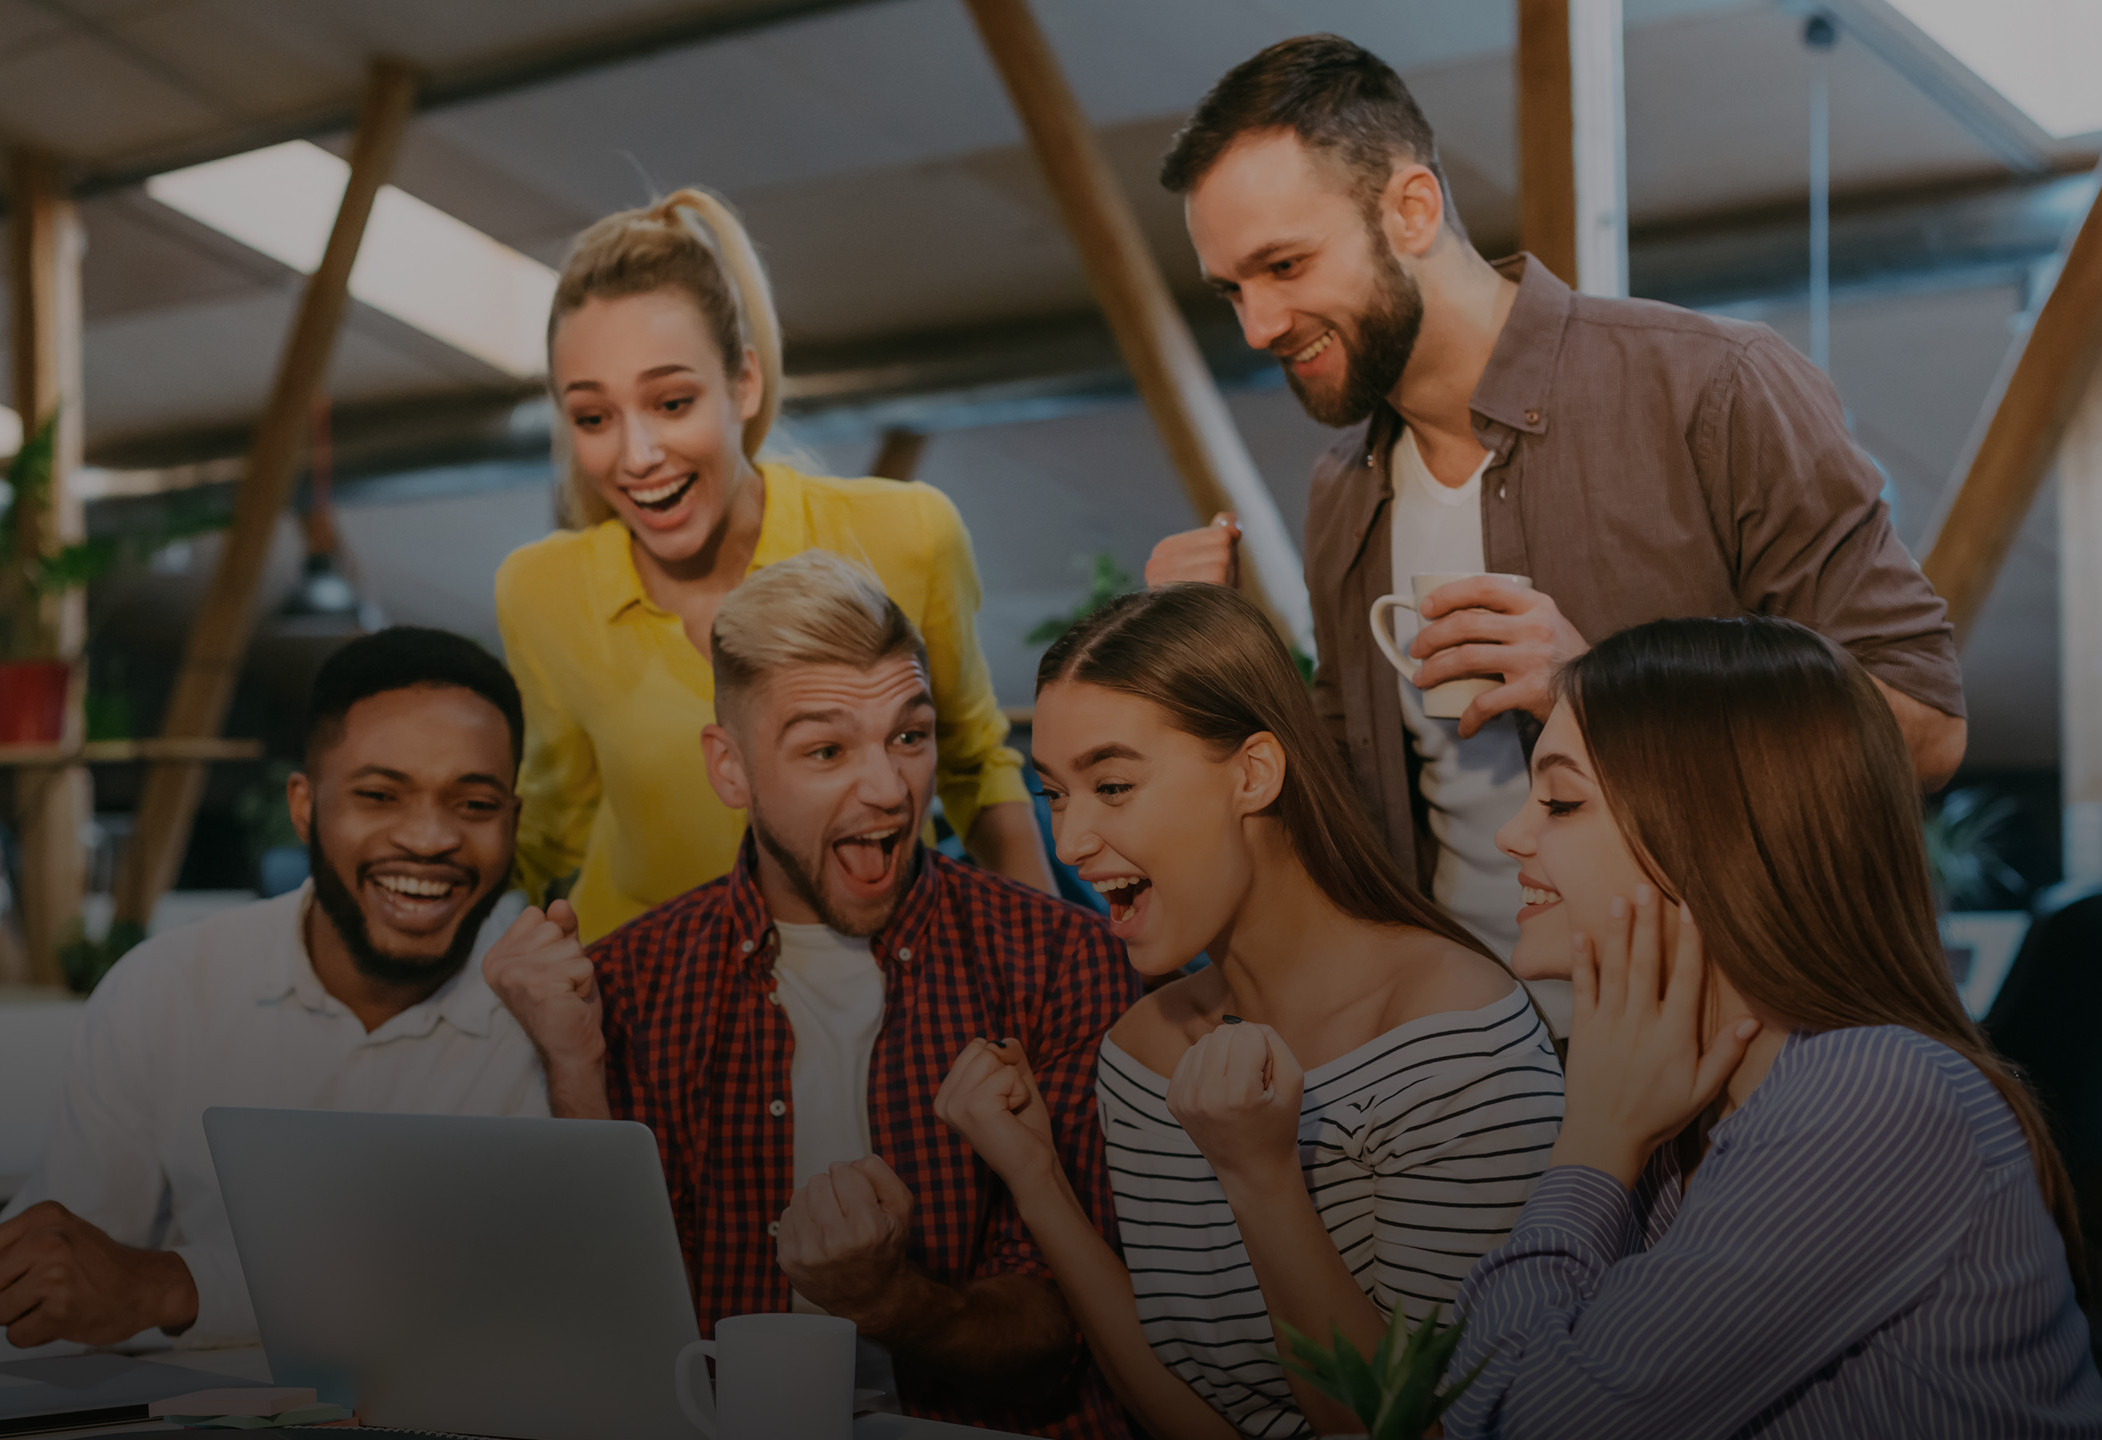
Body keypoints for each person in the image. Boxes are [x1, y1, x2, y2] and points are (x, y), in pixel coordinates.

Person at [1141, 35, 1966, 997]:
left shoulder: (1714, 388)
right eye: (1231, 289)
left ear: (1412, 209)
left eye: (1285, 265)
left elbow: (1924, 733)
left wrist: (1594, 691)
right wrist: (1214, 666)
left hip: (1721, 1051)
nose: (1258, 326)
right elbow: (1354, 807)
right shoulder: (1342, 485)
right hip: (1464, 1063)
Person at [484, 551, 1138, 1440]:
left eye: (909, 737)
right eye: (827, 749)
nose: (888, 789)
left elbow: (1068, 1339)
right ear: (731, 769)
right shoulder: (626, 988)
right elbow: (607, 1347)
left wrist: (891, 1302)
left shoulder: (1064, 962)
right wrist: (574, 1072)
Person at [1442, 616, 2102, 1437]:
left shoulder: (1873, 1096)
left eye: (1559, 800)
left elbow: (1521, 1422)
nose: (1513, 835)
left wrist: (1589, 1151)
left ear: (1714, 839)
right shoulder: (1688, 1097)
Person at [933, 583, 1564, 1440]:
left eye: (1112, 785)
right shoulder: (1141, 1049)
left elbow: (1419, 1429)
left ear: (1255, 774)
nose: (1074, 841)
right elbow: (1191, 1411)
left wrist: (1260, 1174)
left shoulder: (1454, 1032)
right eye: (1055, 794)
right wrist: (1037, 1181)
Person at [0, 628, 547, 1361]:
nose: (428, 838)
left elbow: (494, 1289)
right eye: (379, 795)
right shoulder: (166, 989)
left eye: (475, 805)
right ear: (303, 805)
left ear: (513, 822)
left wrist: (172, 1287)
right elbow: (56, 1275)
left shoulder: (544, 1013)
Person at [496, 186, 1049, 944]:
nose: (636, 455)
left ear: (744, 384)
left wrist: (1056, 976)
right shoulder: (539, 590)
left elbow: (975, 767)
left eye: (671, 402)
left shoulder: (906, 535)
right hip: (641, 1022)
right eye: (594, 417)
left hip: (874, 992)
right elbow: (548, 826)